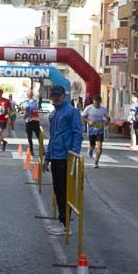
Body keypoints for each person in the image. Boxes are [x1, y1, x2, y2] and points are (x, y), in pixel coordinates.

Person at [43, 86, 83, 236]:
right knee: (58, 190)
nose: (56, 98)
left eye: (58, 95)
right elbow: (52, 137)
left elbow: (77, 133)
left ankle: (66, 224)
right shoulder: (54, 113)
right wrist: (47, 157)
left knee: (65, 191)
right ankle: (62, 222)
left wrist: (73, 155)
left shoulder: (71, 111)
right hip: (55, 156)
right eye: (54, 96)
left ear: (64, 96)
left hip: (66, 157)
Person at [81, 94, 109, 168]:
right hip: (91, 129)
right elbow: (83, 116)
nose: (97, 104)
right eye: (95, 102)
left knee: (99, 146)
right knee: (92, 145)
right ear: (93, 102)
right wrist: (88, 121)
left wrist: (106, 123)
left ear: (100, 102)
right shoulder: (89, 108)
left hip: (100, 129)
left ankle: (96, 162)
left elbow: (108, 118)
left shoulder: (103, 109)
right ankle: (90, 149)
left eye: (98, 102)